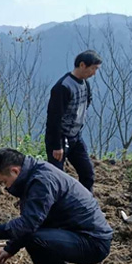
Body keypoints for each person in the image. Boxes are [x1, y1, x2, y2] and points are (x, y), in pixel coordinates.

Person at [45, 50, 102, 193]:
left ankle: (85, 208)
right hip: (59, 139)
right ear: (82, 65)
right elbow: (54, 118)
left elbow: (87, 102)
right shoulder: (63, 87)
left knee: (87, 174)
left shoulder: (85, 84)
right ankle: (57, 212)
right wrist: (57, 145)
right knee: (57, 179)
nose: (94, 73)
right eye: (93, 68)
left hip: (76, 137)